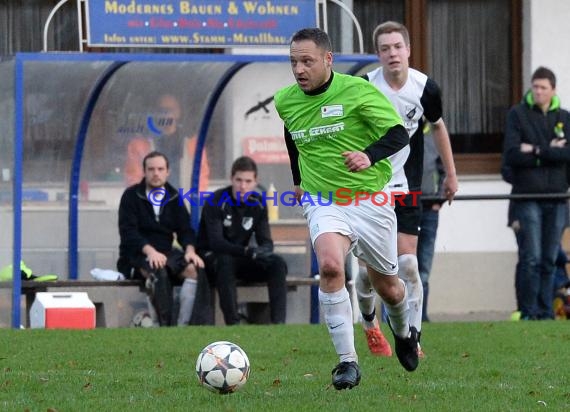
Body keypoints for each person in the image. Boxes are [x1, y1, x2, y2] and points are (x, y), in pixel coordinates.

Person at [274, 27, 414, 390]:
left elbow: (398, 134)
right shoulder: (286, 100)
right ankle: (347, 362)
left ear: (328, 59)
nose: (299, 69)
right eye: (294, 62)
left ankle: (403, 331)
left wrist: (369, 156)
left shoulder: (358, 91)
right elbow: (292, 133)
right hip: (324, 200)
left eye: (307, 61)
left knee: (390, 289)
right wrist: (297, 179)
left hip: (371, 200)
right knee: (332, 267)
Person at [355, 21, 458, 357]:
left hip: (406, 187)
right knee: (369, 274)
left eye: (397, 46)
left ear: (408, 50)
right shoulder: (365, 86)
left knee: (408, 266)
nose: (392, 53)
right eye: (385, 48)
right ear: (378, 54)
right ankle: (371, 326)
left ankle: (413, 338)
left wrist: (451, 175)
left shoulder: (426, 88)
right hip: (369, 188)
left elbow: (438, 128)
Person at [503, 66, 570, 320]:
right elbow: (511, 155)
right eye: (535, 87)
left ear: (553, 90)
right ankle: (528, 311)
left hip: (557, 197)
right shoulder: (517, 115)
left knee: (550, 258)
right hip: (527, 197)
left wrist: (536, 150)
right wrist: (550, 151)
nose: (538, 92)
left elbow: (568, 154)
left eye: (543, 87)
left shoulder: (565, 117)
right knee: (531, 257)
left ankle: (546, 312)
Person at [117, 151, 205, 326]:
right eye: (151, 169)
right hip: (137, 253)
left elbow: (185, 229)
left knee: (194, 270)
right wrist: (150, 251)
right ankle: (162, 324)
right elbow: (128, 233)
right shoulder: (131, 196)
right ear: (144, 171)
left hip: (166, 252)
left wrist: (190, 250)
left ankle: (183, 325)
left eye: (160, 169)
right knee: (158, 271)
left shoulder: (174, 197)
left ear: (167, 172)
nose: (156, 173)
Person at [197, 156, 288, 325]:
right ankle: (233, 323)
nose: (243, 186)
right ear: (231, 179)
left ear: (255, 182)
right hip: (212, 259)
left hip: (240, 257)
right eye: (238, 180)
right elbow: (217, 243)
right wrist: (247, 252)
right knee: (225, 262)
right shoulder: (216, 200)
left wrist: (262, 252)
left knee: (277, 263)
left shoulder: (258, 203)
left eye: (248, 181)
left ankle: (279, 323)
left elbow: (266, 241)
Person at [124, 93, 210, 191]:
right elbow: (133, 179)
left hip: (184, 204)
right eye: (162, 110)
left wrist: (194, 203)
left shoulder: (193, 145)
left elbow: (201, 179)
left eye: (170, 110)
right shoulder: (139, 146)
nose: (166, 114)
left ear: (178, 113)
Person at [417, 125, 447, 322]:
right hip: (401, 207)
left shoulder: (435, 131)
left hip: (429, 207)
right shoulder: (395, 123)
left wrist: (439, 200)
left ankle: (421, 317)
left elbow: (445, 168)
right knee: (397, 266)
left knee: (423, 269)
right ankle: (396, 318)